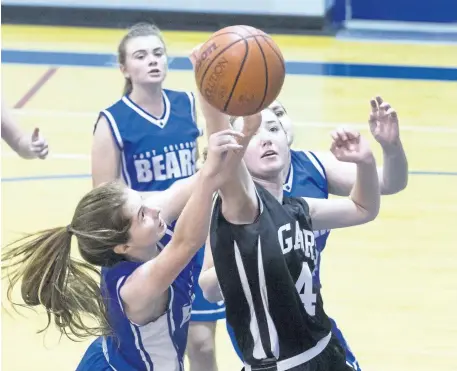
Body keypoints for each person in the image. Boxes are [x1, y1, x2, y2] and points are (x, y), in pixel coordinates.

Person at [2, 127, 252, 371]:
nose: (154, 210)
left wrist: (237, 141)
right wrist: (209, 179)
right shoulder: (136, 287)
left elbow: (183, 189)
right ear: (123, 246)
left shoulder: (140, 233)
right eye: (142, 214)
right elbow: (187, 243)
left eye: (143, 203)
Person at [196, 83, 381, 370]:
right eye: (254, 133)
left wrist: (366, 161)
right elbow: (208, 287)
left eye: (273, 129)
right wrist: (209, 86)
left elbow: (364, 208)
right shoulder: (244, 210)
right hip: (281, 364)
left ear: (288, 138)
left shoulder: (299, 208)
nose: (267, 139)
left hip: (324, 349)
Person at [90, 23, 221, 371]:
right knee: (159, 341)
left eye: (158, 53)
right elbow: (105, 200)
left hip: (195, 231)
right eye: (141, 55)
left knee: (203, 344)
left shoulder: (189, 103)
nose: (152, 61)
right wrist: (181, 192)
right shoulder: (112, 121)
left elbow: (212, 158)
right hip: (148, 243)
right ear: (124, 68)